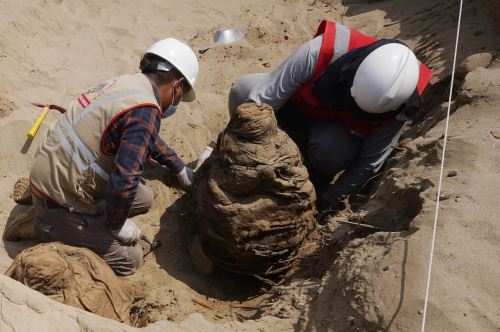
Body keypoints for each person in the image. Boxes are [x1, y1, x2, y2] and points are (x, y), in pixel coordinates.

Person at [197, 20, 432, 216]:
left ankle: (316, 173)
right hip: (293, 108)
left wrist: (327, 200)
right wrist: (221, 147)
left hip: (331, 134)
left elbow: (370, 162)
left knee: (331, 153)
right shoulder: (322, 51)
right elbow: (260, 99)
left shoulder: (401, 103)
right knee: (243, 89)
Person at [29, 38, 199, 275]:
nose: (177, 102)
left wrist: (178, 167)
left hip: (54, 170)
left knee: (144, 198)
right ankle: (47, 227)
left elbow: (142, 135)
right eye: (181, 96)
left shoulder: (127, 84)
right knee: (130, 259)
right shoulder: (146, 111)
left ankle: (82, 223)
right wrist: (117, 226)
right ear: (177, 85)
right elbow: (124, 180)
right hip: (57, 200)